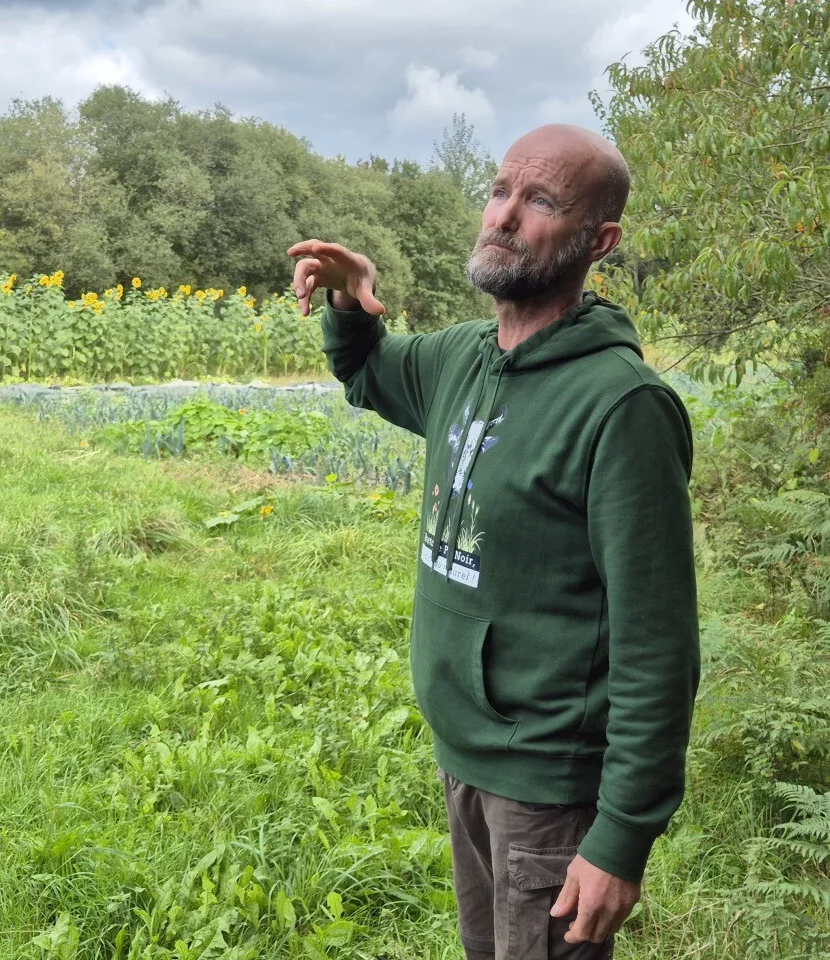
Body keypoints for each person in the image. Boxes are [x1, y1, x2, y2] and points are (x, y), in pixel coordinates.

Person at [287, 124, 700, 959]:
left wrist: (620, 836)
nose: (505, 216)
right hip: (466, 749)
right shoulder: (463, 358)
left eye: (540, 200)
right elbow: (369, 372)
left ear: (599, 241)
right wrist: (350, 301)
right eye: (500, 190)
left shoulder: (621, 408)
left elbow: (659, 645)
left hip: (546, 782)